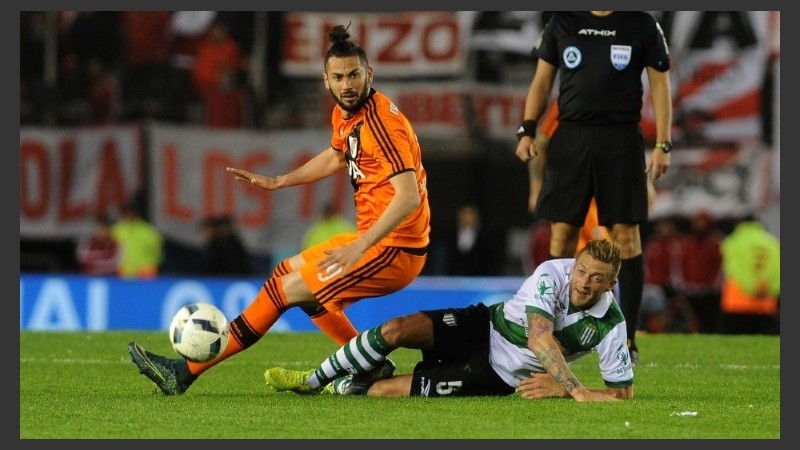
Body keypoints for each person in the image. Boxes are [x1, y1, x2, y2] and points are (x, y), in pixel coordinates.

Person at [128, 24, 431, 395]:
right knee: (285, 274)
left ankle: (185, 371)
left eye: (354, 75)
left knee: (287, 291)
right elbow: (338, 156)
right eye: (338, 77)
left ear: (369, 74)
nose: (347, 84)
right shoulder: (347, 114)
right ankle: (370, 365)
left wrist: (361, 245)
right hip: (372, 241)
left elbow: (408, 197)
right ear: (326, 81)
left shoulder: (383, 124)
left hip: (395, 249)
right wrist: (279, 181)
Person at [263, 239, 633, 401]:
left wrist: (560, 388)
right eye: (582, 270)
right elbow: (538, 337)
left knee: (381, 393)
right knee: (397, 328)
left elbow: (622, 393)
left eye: (596, 277)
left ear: (611, 283)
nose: (584, 281)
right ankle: (312, 381)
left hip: (498, 374)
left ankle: (351, 385)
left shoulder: (611, 323)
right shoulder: (553, 272)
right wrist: (575, 390)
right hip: (484, 325)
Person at [514, 11, 672, 365]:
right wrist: (526, 128)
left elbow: (660, 84)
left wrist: (663, 144)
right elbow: (542, 81)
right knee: (561, 237)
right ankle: (551, 331)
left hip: (621, 140)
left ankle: (627, 338)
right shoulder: (563, 22)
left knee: (626, 236)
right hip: (571, 139)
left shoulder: (641, 24)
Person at [719, 217, 780, 335]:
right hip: (765, 305)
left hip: (736, 303)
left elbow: (730, 267)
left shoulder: (733, 240)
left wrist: (750, 286)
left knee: (734, 348)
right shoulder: (773, 242)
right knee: (761, 348)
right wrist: (768, 289)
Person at [111, 199, 164, 278]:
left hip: (145, 272)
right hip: (124, 272)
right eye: (128, 214)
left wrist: (151, 266)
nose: (130, 216)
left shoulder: (148, 231)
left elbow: (157, 252)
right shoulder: (116, 230)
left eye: (132, 214)